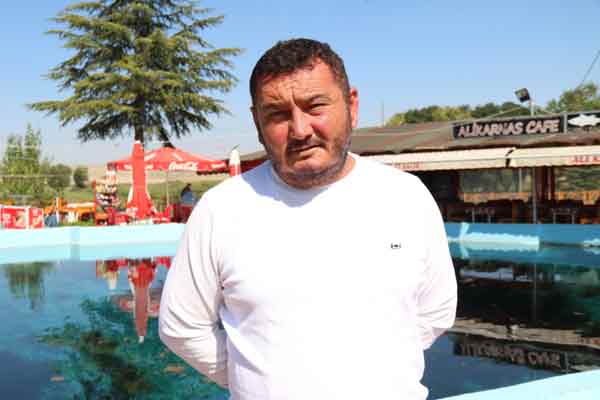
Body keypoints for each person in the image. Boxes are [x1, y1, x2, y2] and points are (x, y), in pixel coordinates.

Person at [159, 38, 457, 400]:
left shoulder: (405, 197)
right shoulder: (221, 210)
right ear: (257, 122)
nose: (300, 130)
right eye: (278, 114)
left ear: (351, 106)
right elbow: (182, 327)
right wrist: (254, 378)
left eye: (315, 107)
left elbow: (436, 312)